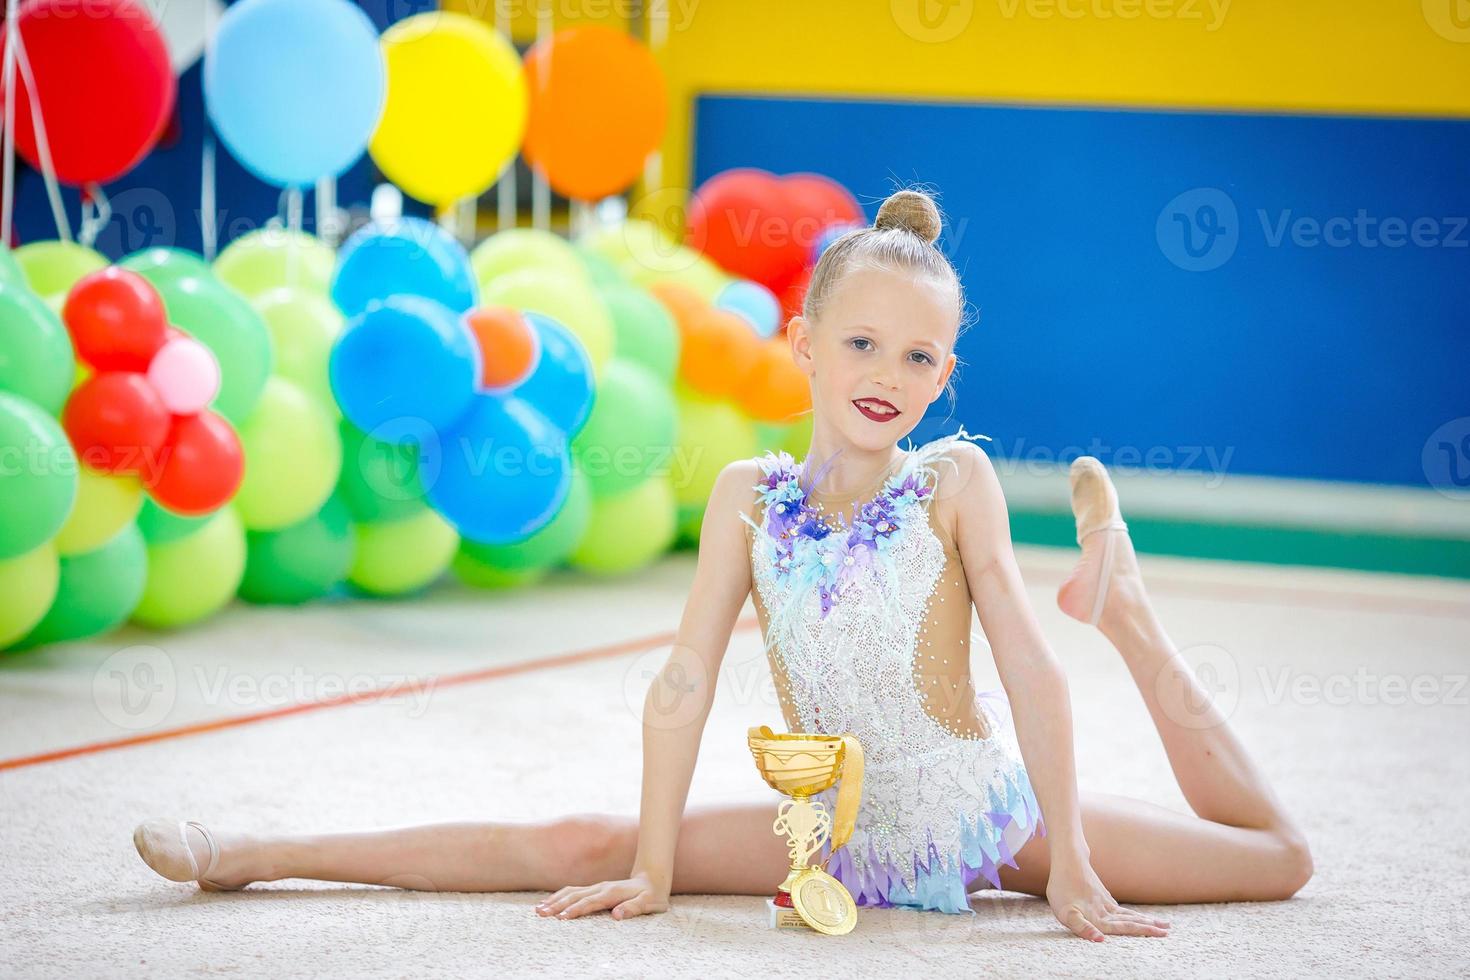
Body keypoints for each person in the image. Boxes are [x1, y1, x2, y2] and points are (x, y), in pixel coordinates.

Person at [134, 187, 1312, 942]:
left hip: (976, 812)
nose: (885, 373)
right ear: (802, 344)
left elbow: (1031, 671)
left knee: (1280, 863)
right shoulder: (749, 498)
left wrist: (1067, 861)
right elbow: (684, 677)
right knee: (577, 841)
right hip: (828, 821)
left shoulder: (955, 481)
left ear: (944, 375)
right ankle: (251, 855)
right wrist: (652, 863)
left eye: (917, 355)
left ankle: (1135, 610)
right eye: (859, 341)